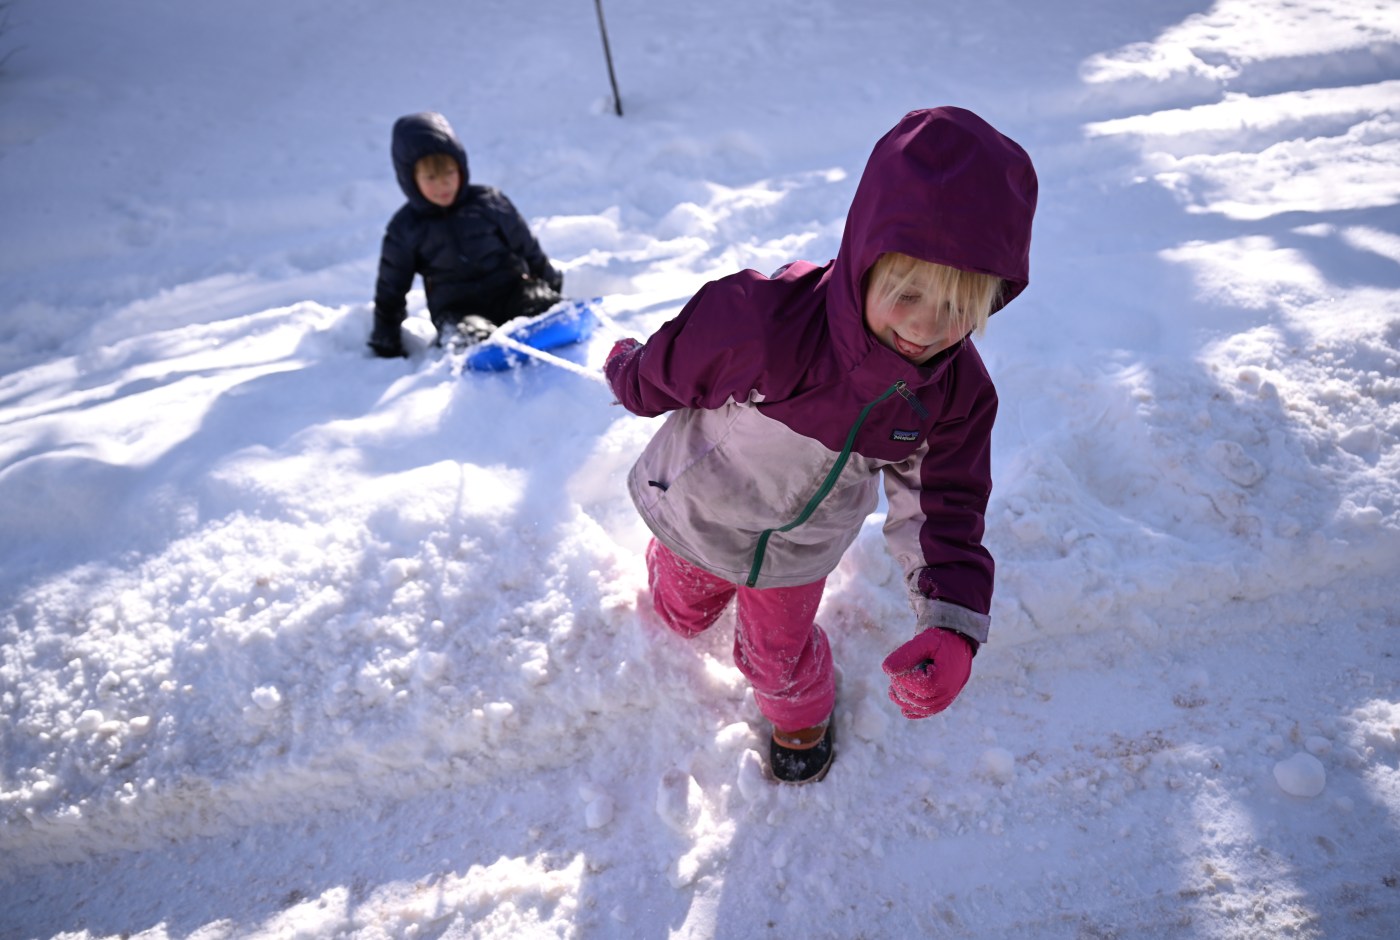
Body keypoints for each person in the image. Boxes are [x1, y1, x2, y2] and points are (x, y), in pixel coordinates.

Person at [604, 107, 1037, 784]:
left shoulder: (952, 394)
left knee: (778, 654)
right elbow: (671, 365)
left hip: (796, 555)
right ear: (867, 257)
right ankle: (678, 600)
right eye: (907, 293)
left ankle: (800, 713)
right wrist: (630, 374)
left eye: (956, 309)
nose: (925, 327)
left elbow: (943, 510)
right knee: (681, 609)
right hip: (699, 511)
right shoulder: (763, 321)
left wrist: (952, 623)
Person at [368, 112, 564, 357]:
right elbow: (391, 287)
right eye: (431, 177)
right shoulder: (405, 228)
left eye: (449, 173)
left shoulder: (489, 203)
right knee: (467, 333)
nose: (443, 185)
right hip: (457, 309)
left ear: (461, 167)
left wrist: (549, 281)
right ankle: (476, 346)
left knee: (543, 305)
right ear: (410, 179)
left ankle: (547, 319)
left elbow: (525, 245)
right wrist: (385, 334)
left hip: (511, 291)